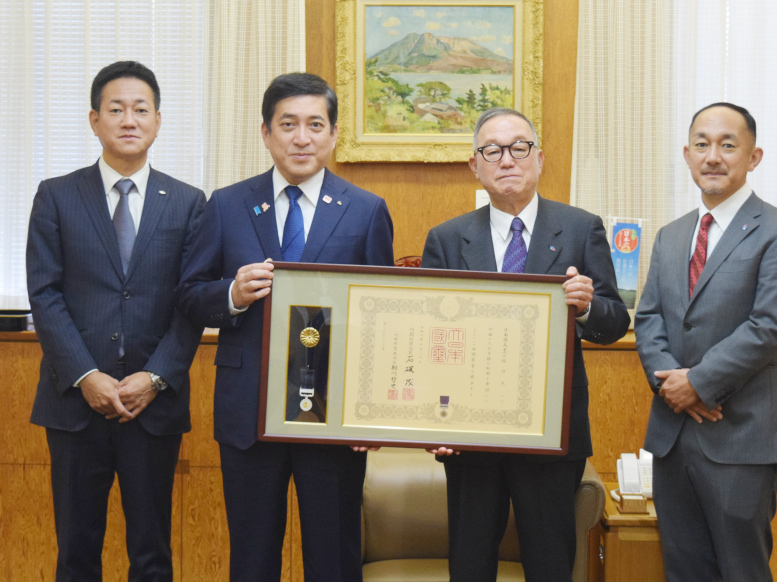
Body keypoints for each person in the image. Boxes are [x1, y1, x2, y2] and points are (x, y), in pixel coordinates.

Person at [176, 72, 394, 582]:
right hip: (249, 412)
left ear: (334, 134)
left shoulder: (365, 211)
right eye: (288, 124)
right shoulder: (227, 205)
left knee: (334, 558)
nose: (302, 137)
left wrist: (369, 415)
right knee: (251, 559)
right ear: (266, 133)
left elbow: (380, 323)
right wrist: (231, 293)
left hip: (333, 420)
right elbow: (189, 296)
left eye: (315, 124)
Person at [421, 107, 630, 581]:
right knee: (471, 560)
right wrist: (434, 418)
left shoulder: (581, 228)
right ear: (475, 165)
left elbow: (615, 322)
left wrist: (588, 306)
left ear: (540, 159)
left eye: (519, 147)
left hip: (550, 432)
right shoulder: (448, 238)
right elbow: (434, 340)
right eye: (492, 150)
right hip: (471, 433)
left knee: (550, 560)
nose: (507, 159)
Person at [26, 61, 206, 581]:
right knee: (76, 553)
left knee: (151, 555)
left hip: (153, 404)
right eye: (116, 109)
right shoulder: (56, 196)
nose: (129, 119)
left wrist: (155, 377)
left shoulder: (190, 204)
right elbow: (45, 293)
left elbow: (190, 303)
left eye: (141, 109)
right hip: (74, 405)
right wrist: (86, 376)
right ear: (94, 119)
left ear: (157, 120)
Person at [634, 103, 777, 581]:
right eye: (702, 144)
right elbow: (648, 317)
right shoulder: (672, 236)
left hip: (742, 436)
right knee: (683, 569)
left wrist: (700, 383)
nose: (713, 156)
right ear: (687, 155)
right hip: (673, 435)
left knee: (741, 571)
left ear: (753, 157)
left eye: (727, 145)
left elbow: (768, 327)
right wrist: (672, 386)